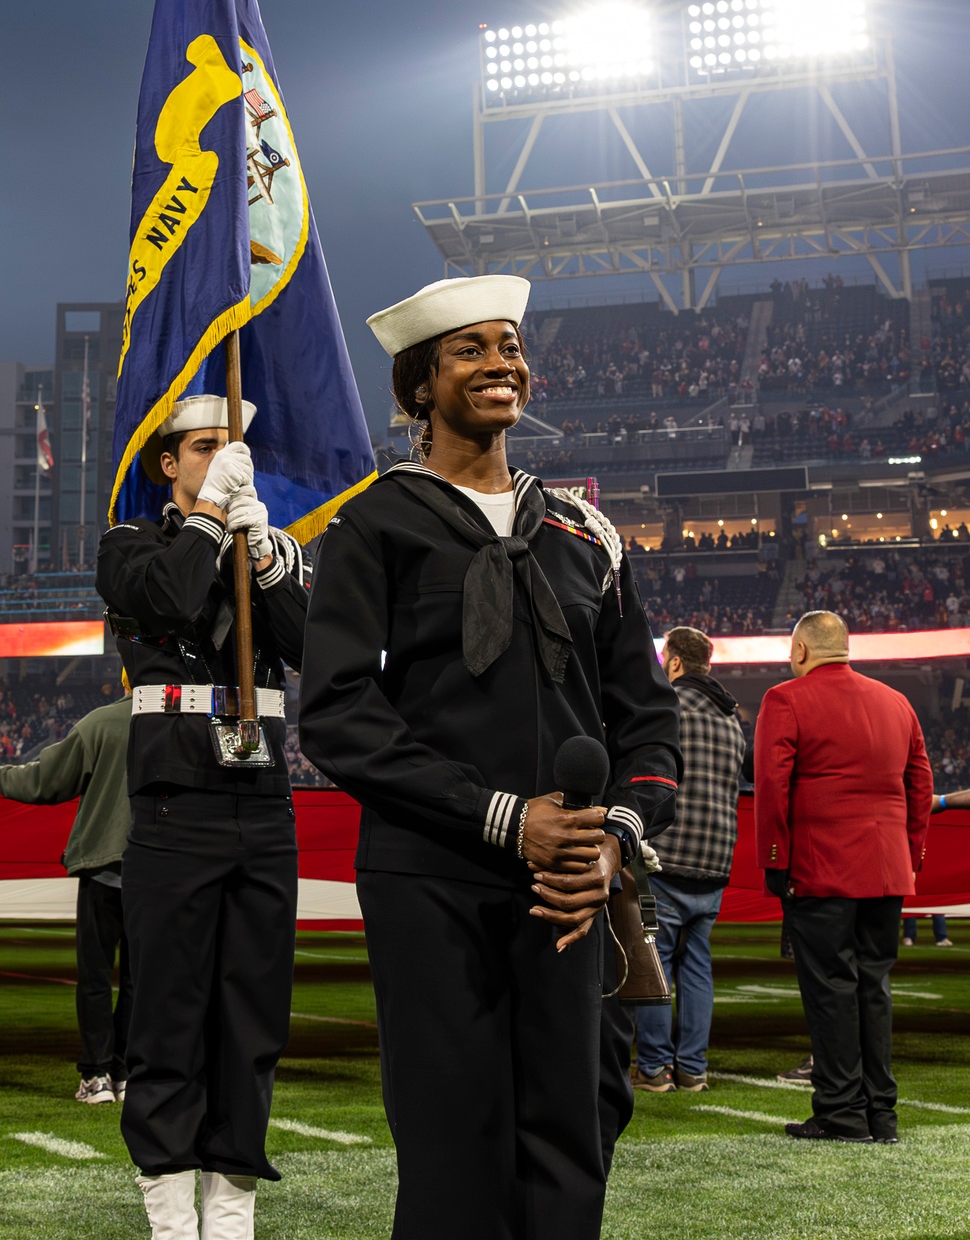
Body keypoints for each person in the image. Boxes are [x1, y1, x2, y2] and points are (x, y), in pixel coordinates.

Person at [298, 275, 682, 1240]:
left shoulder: (587, 533)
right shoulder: (370, 524)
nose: (501, 362)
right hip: (431, 876)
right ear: (418, 386)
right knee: (452, 1135)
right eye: (469, 349)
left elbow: (649, 724)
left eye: (509, 344)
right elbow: (339, 713)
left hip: (571, 885)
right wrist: (506, 817)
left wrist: (612, 845)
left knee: (577, 1124)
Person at [95, 393, 308, 1240]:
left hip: (263, 805)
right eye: (209, 446)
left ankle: (232, 1205)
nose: (230, 455)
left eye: (237, 446)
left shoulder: (260, 544)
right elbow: (175, 599)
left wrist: (267, 563)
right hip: (175, 805)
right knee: (170, 1010)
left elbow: (310, 643)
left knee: (253, 1012)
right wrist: (215, 516)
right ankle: (170, 1208)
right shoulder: (130, 545)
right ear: (169, 463)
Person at [754, 611, 933, 1144]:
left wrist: (774, 860)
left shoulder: (785, 699)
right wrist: (909, 853)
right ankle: (882, 1115)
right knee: (873, 987)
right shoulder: (896, 702)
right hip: (886, 871)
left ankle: (841, 1114)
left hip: (822, 869)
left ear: (802, 651)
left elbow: (771, 785)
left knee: (831, 989)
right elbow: (920, 783)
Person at [0, 694, 132, 1105]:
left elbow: (47, 780)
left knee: (95, 978)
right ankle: (128, 1072)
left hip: (103, 866)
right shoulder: (182, 722)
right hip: (160, 872)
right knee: (139, 981)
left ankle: (97, 1076)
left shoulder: (102, 722)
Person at [634, 627, 746, 1094]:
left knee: (655, 961)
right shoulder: (733, 718)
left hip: (671, 855)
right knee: (697, 966)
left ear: (675, 663)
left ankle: (655, 1069)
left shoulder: (670, 706)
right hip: (717, 859)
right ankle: (693, 1069)